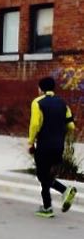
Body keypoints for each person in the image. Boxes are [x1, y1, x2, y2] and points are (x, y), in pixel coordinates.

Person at [28, 76, 78, 218]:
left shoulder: (38, 102)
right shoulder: (63, 103)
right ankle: (46, 207)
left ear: (41, 89)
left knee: (42, 175)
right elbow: (71, 125)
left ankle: (63, 192)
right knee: (46, 175)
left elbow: (35, 125)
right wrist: (60, 134)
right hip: (58, 145)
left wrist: (31, 142)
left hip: (44, 145)